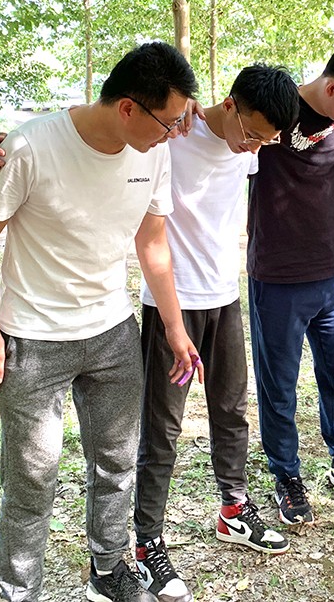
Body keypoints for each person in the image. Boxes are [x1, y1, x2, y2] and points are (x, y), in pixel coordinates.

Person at [0, 42, 201, 602]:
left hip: (113, 332)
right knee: (32, 477)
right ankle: (19, 588)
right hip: (33, 338)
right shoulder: (29, 147)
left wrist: (174, 328)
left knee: (117, 463)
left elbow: (153, 242)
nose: (174, 134)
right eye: (167, 122)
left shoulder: (154, 151)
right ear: (128, 108)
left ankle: (108, 571)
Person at [131, 65, 298, 602]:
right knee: (162, 429)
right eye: (251, 134)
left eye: (265, 141)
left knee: (231, 410)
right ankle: (147, 544)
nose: (254, 148)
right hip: (171, 305)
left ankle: (233, 508)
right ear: (228, 105)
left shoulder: (248, 148)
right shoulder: (172, 137)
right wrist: (10, 147)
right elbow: (105, 124)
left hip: (225, 299)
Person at [247, 40, 334, 524]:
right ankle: (286, 474)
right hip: (277, 276)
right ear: (332, 89)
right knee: (279, 386)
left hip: (332, 275)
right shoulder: (274, 110)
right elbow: (214, 121)